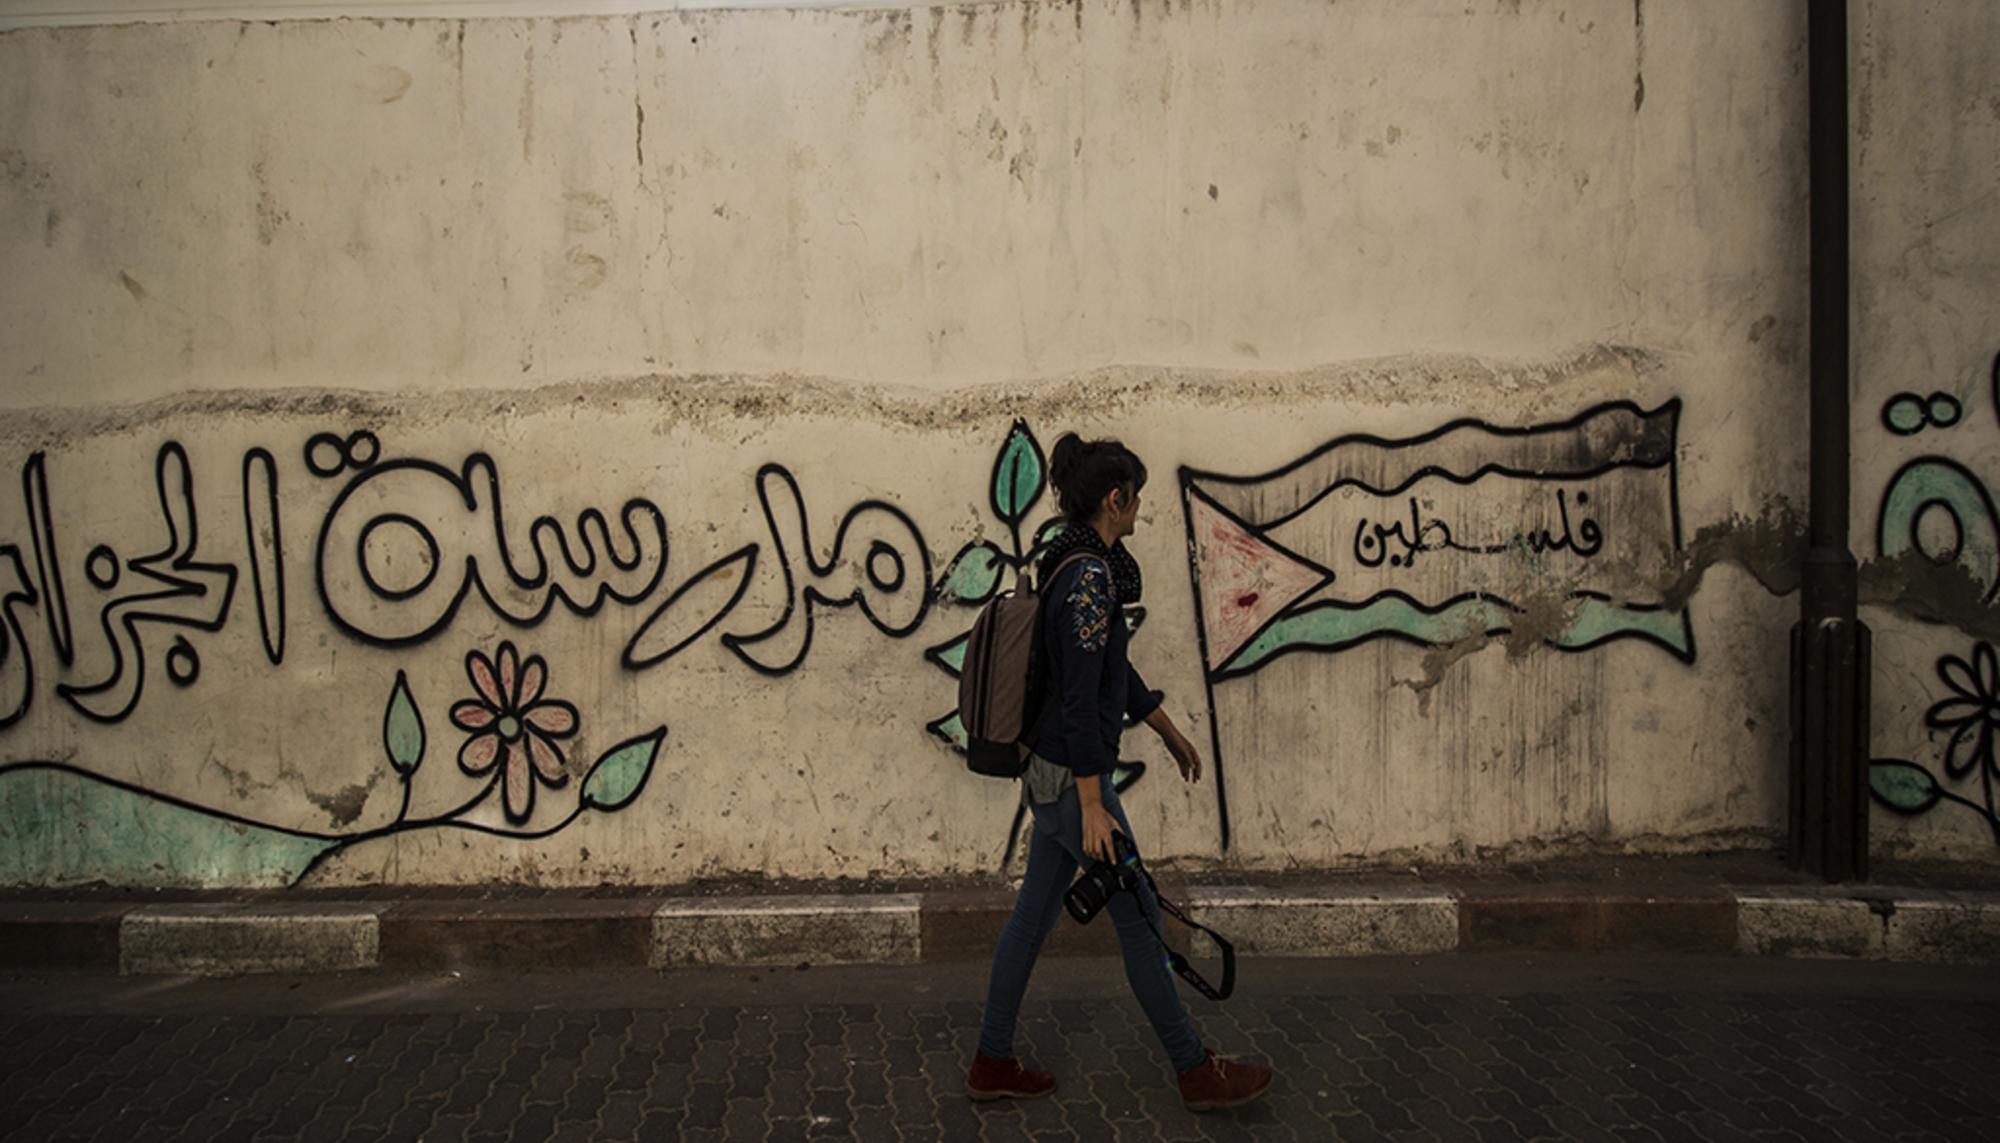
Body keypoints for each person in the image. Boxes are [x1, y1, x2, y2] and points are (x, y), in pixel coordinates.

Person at [965, 432, 1275, 1113]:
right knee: (1139, 919)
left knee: (1030, 919)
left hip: (1049, 776)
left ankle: (992, 1059)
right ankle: (1196, 1068)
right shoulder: (1090, 576)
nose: (1142, 511)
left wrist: (1164, 727)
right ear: (1116, 497)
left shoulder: (1068, 558)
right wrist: (1094, 802)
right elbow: (1079, 696)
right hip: (1073, 780)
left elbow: (1107, 665)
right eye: (1137, 499)